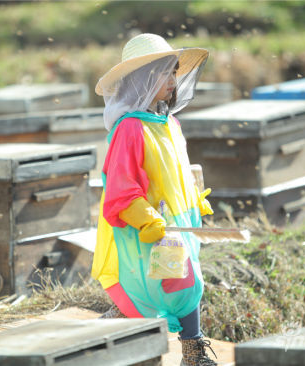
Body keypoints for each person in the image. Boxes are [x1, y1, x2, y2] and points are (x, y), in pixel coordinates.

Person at [91, 33, 217, 366]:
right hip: (148, 228)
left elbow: (176, 172)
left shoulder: (170, 123)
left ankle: (188, 350)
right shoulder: (130, 129)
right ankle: (174, 349)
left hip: (177, 224)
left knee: (180, 284)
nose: (174, 81)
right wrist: (149, 220)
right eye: (166, 73)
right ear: (143, 77)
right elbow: (121, 187)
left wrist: (195, 199)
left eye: (175, 72)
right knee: (166, 286)